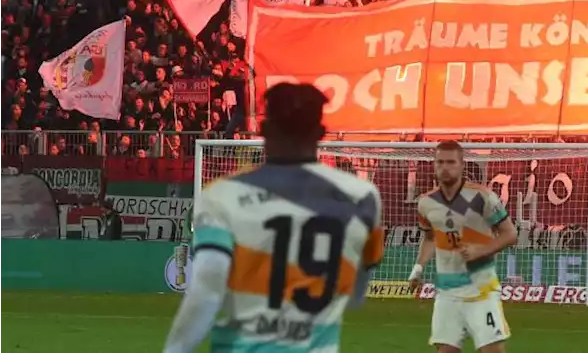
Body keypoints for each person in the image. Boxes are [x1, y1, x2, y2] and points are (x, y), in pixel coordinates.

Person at [161, 83, 384, 353]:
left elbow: (207, 289)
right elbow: (356, 296)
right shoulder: (361, 196)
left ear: (264, 131)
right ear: (321, 133)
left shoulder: (222, 195)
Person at [408, 140, 518, 353]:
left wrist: (482, 250)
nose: (444, 167)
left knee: (492, 351)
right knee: (446, 351)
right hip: (447, 291)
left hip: (481, 289)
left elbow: (510, 233)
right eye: (440, 162)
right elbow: (431, 237)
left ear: (462, 165)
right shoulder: (425, 203)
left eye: (450, 162)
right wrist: (418, 268)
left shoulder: (482, 197)